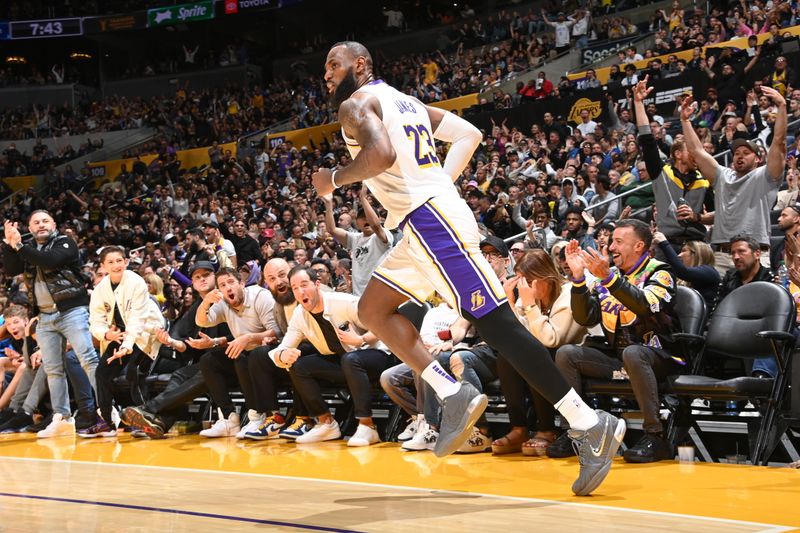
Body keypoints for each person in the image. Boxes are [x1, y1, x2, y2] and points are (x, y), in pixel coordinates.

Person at [312, 41, 625, 496]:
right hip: (421, 223)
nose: (326, 73)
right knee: (373, 309)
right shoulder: (408, 102)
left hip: (430, 222)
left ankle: (589, 423)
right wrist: (439, 185)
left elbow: (379, 157)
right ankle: (450, 390)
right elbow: (469, 135)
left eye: (333, 64)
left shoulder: (356, 103)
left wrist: (334, 179)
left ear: (360, 65)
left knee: (498, 326)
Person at [557, 219, 682, 463]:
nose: (611, 247)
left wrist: (609, 280)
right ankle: (577, 432)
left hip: (662, 356)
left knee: (635, 353)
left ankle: (655, 437)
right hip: (620, 357)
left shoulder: (660, 271)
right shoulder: (609, 276)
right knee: (567, 354)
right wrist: (579, 279)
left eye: (618, 241)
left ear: (639, 246)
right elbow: (585, 317)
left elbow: (646, 307)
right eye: (611, 241)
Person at [269, 266, 396, 446]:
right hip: (345, 361)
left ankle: (367, 426)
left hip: (377, 356)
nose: (300, 291)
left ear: (317, 284)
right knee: (299, 366)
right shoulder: (300, 314)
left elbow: (384, 323)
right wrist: (283, 355)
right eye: (295, 288)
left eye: (304, 285)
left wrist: (360, 339)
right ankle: (326, 423)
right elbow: (281, 348)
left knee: (350, 359)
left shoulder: (344, 303)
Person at [2, 210, 101, 437]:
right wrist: (9, 244)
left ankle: (106, 409)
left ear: (53, 223)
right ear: (30, 227)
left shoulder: (64, 242)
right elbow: (11, 269)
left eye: (45, 220)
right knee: (53, 369)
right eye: (36, 222)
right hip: (45, 316)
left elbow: (49, 261)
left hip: (71, 310)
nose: (41, 225)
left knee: (87, 358)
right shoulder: (26, 248)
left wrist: (19, 246)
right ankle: (62, 417)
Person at [681, 86, 788, 272]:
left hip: (756, 253)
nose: (739, 156)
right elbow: (696, 152)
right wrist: (685, 120)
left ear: (758, 159)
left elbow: (779, 140)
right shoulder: (723, 175)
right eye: (736, 152)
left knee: (758, 301)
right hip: (723, 254)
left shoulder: (765, 175)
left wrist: (782, 106)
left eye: (746, 153)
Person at [121, 261, 232, 439]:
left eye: (206, 275)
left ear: (215, 277)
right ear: (193, 283)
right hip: (206, 361)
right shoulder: (197, 307)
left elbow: (238, 335)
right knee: (180, 374)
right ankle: (161, 422)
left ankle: (149, 409)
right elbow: (188, 344)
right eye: (197, 277)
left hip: (231, 359)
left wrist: (213, 343)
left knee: (206, 369)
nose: (202, 279)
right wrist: (172, 342)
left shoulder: (227, 298)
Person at [496, 249, 587, 456]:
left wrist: (528, 305)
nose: (523, 286)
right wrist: (510, 302)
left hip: (568, 356)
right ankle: (518, 428)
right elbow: (513, 336)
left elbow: (550, 339)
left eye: (528, 279)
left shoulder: (568, 295)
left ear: (545, 278)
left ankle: (547, 429)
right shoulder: (531, 297)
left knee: (534, 355)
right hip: (544, 353)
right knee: (506, 357)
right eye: (521, 280)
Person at [89, 246, 166, 437]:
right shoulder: (100, 290)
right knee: (102, 373)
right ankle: (106, 421)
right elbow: (95, 321)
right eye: (110, 262)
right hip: (119, 335)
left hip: (146, 332)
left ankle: (145, 419)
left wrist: (126, 346)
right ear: (103, 265)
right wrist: (107, 335)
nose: (116, 265)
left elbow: (137, 319)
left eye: (119, 261)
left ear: (126, 262)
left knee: (135, 372)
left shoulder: (136, 282)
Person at [195, 267, 279, 438]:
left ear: (242, 283)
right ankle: (228, 418)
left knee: (241, 357)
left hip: (268, 354)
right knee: (209, 360)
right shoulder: (224, 303)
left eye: (231, 282)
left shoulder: (260, 296)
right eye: (223, 285)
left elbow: (277, 331)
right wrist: (206, 302)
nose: (228, 288)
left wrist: (249, 338)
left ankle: (256, 416)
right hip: (246, 353)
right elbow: (202, 321)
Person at [633, 78, 709, 251]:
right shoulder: (662, 173)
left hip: (697, 245)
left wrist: (696, 216)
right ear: (678, 154)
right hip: (667, 244)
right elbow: (647, 140)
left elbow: (715, 215)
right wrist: (638, 103)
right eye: (691, 150)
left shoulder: (704, 180)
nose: (697, 153)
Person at [322, 186, 393, 296]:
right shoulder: (355, 238)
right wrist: (328, 204)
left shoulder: (384, 234)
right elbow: (332, 229)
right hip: (358, 295)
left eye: (368, 216)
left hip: (379, 295)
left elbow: (375, 225)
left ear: (378, 219)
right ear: (357, 222)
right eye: (362, 216)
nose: (366, 219)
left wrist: (363, 198)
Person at [652, 233, 720, 309]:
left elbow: (683, 271)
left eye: (684, 251)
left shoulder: (710, 272)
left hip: (700, 319)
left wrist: (664, 243)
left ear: (696, 253)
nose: (679, 255)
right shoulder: (684, 277)